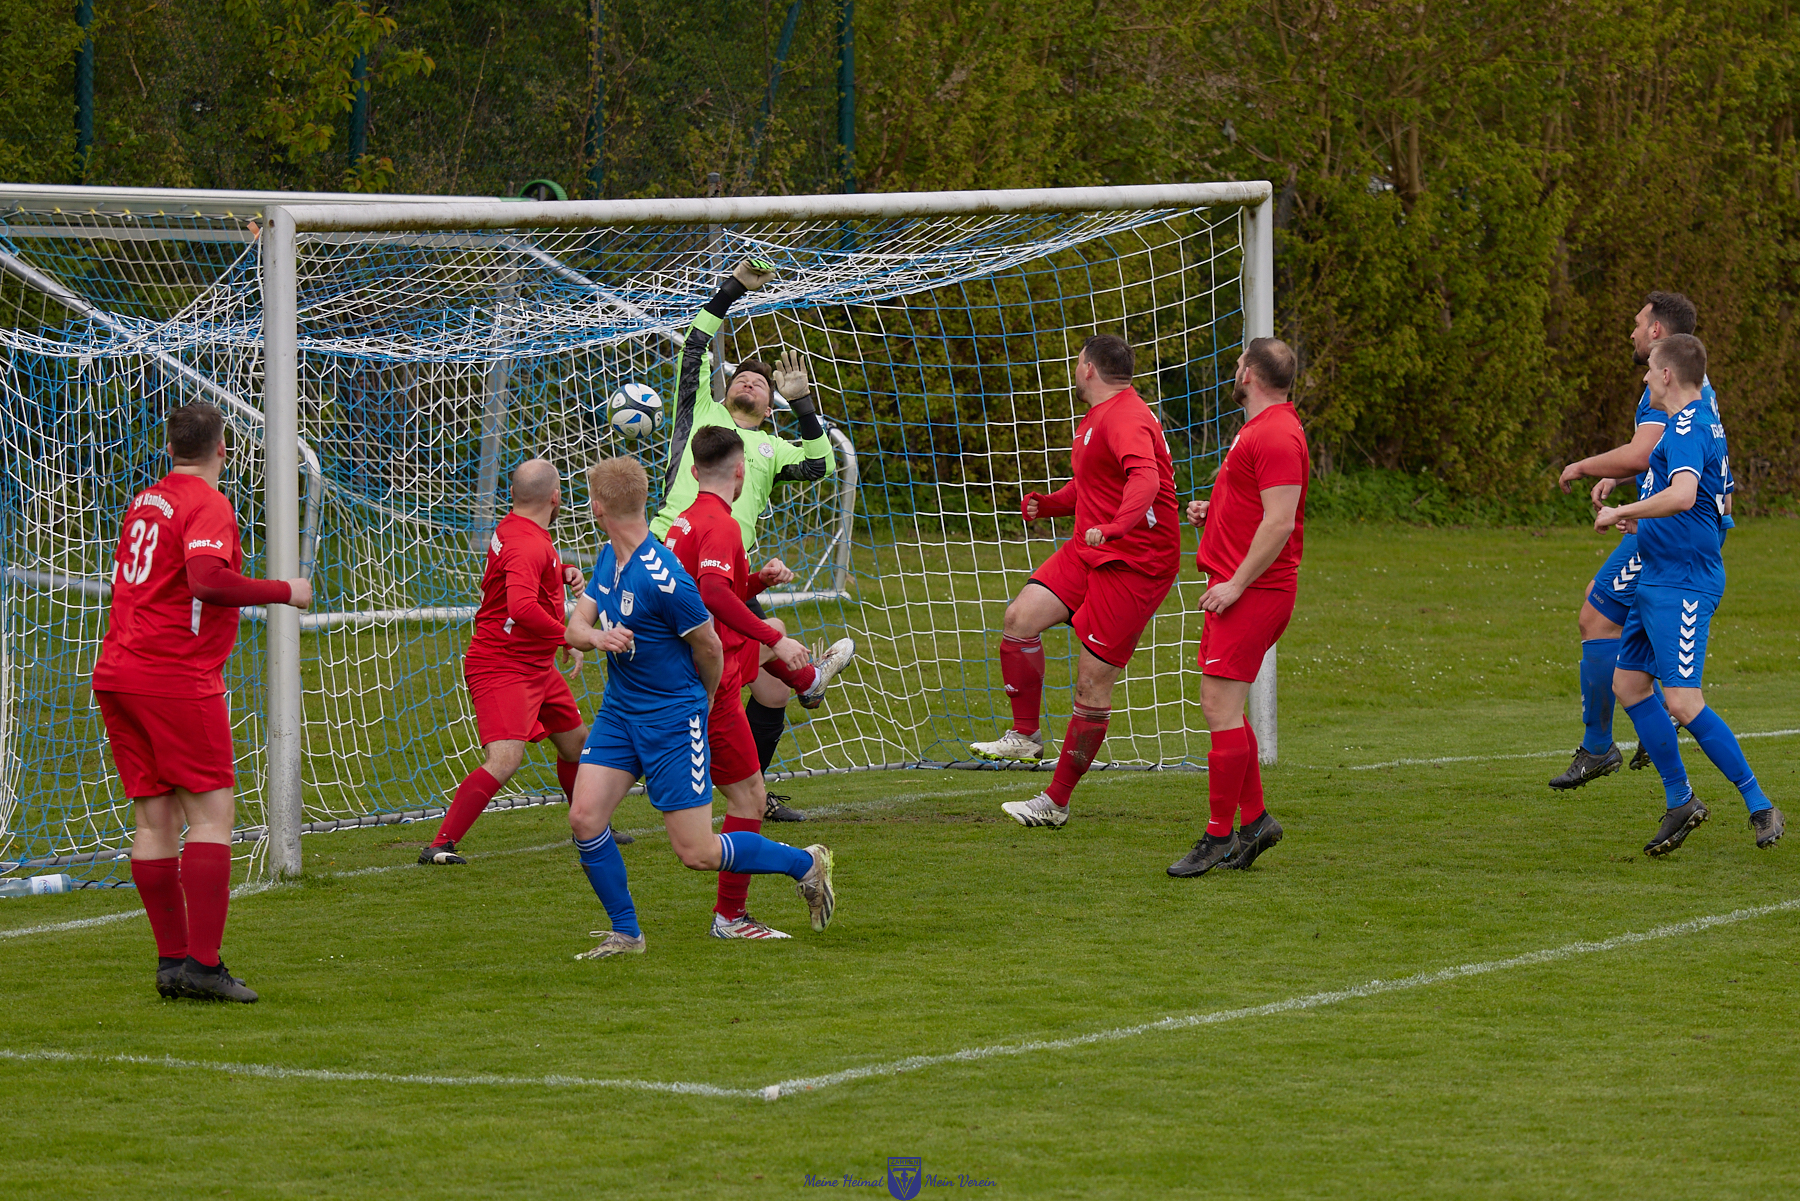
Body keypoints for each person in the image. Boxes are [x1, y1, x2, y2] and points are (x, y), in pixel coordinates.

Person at [563, 455, 836, 959]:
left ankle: (805, 863)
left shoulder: (664, 577)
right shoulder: (608, 557)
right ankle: (627, 934)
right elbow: (575, 626)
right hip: (621, 713)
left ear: (596, 507)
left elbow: (709, 645)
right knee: (584, 818)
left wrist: (704, 698)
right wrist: (597, 637)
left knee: (698, 852)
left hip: (672, 719)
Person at [92, 401, 313, 1002]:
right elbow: (207, 580)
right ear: (222, 449)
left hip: (119, 670)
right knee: (212, 817)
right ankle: (204, 967)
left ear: (170, 449)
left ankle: (171, 964)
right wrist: (284, 590)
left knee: (153, 820)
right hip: (174, 676)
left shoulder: (146, 499)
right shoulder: (207, 502)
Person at [650, 258, 855, 820]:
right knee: (745, 653)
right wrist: (733, 289)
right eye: (742, 376)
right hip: (674, 554)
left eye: (762, 383)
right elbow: (696, 346)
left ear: (769, 408)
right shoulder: (701, 413)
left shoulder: (774, 447)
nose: (749, 380)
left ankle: (754, 793)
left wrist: (804, 404)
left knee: (769, 692)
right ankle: (808, 675)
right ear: (725, 391)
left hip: (730, 572)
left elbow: (821, 464)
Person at [972, 334, 1180, 828]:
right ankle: (1026, 736)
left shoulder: (1126, 418)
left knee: (1091, 683)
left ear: (1088, 367)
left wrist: (1116, 527)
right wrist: (1052, 505)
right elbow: (1095, 484)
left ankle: (1056, 803)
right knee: (1020, 619)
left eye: (1076, 362)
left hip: (1134, 563)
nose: (1074, 368)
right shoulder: (1100, 415)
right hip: (1091, 548)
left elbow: (1145, 481)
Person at [1593, 334, 1783, 854]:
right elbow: (1707, 504)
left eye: (1650, 369)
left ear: (1667, 374)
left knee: (1681, 699)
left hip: (1683, 583)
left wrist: (1622, 511)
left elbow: (1682, 495)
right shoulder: (1698, 422)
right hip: (1660, 572)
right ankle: (1681, 800)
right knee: (1629, 684)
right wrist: (1641, 522)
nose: (1645, 376)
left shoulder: (1685, 426)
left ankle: (1759, 803)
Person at [1552, 292, 1726, 789]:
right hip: (1683, 528)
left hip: (1672, 532)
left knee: (1598, 617)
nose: (1631, 333)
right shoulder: (1690, 382)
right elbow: (1664, 458)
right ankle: (1633, 730)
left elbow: (1643, 452)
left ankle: (1607, 744)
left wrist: (1584, 466)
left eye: (1636, 323)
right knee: (1604, 617)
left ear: (1655, 331)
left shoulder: (1666, 383)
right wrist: (1625, 478)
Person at [417, 460, 630, 864]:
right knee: (505, 760)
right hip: (502, 666)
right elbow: (521, 606)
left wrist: (561, 572)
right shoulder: (527, 544)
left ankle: (589, 827)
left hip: (534, 664)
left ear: (513, 494)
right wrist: (573, 635)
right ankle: (439, 845)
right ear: (556, 497)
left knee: (576, 744)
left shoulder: (516, 528)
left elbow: (525, 575)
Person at [663, 426, 816, 938]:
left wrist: (757, 581)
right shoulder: (723, 525)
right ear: (741, 472)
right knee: (748, 800)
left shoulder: (683, 522)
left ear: (692, 471)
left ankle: (809, 678)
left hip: (683, 675)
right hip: (713, 684)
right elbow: (711, 594)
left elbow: (710, 588)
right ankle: (731, 915)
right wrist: (773, 637)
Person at [1167, 338, 1309, 878]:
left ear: (1248, 373)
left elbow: (1280, 522)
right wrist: (1216, 510)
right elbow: (1257, 505)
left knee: (1218, 706)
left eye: (1237, 364)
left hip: (1253, 592)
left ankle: (1218, 834)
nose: (1234, 371)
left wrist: (1235, 585)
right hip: (1237, 587)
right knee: (1224, 708)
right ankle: (1255, 823)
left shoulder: (1275, 433)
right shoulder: (1258, 428)